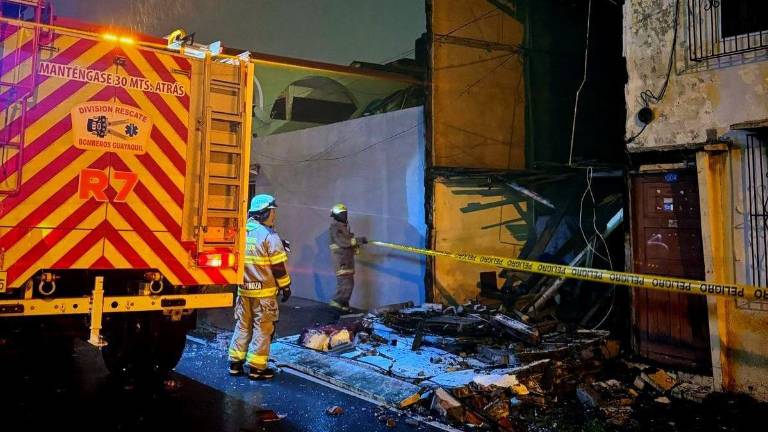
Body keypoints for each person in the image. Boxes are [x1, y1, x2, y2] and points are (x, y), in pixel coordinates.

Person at [228, 194, 291, 380]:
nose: (274, 216)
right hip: (263, 294)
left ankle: (235, 363)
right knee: (263, 329)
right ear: (263, 213)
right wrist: (286, 286)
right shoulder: (269, 236)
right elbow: (278, 267)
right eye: (272, 212)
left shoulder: (240, 232)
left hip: (243, 291)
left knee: (242, 326)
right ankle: (256, 368)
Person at [328, 203, 367, 312]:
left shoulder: (344, 228)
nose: (344, 215)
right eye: (342, 213)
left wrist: (356, 244)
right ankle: (336, 305)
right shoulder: (335, 227)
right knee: (345, 284)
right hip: (341, 261)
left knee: (349, 284)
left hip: (347, 260)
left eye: (345, 213)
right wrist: (358, 240)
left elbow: (349, 242)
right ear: (335, 215)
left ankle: (344, 306)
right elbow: (343, 242)